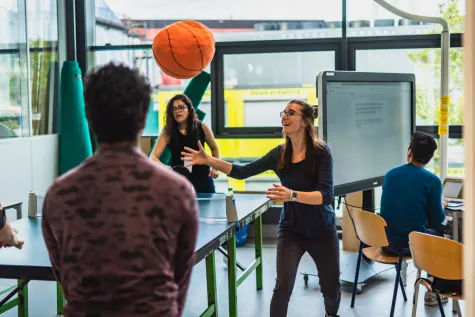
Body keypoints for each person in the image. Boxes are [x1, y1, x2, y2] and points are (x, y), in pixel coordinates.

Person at [41, 62, 199, 317]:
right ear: (143, 114)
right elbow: (180, 277)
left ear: (88, 116)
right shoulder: (178, 192)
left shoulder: (58, 194)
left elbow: (65, 276)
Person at [182, 100, 341, 317]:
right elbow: (241, 171)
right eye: (284, 112)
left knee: (330, 288)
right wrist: (208, 159)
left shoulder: (322, 153)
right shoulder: (280, 154)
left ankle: (331, 314)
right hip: (291, 230)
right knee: (282, 288)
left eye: (291, 113)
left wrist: (292, 195)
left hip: (323, 229)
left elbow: (326, 196)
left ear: (305, 121)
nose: (284, 116)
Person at [380, 131, 452, 305]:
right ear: (430, 157)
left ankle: (433, 288)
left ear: (409, 151)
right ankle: (434, 291)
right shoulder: (432, 180)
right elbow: (436, 220)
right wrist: (441, 207)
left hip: (386, 242)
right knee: (443, 232)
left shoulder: (390, 174)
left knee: (424, 223)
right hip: (411, 246)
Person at [150, 94, 220, 193]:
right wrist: (166, 168)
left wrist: (215, 168)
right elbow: (152, 157)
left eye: (181, 107)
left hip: (203, 179)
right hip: (178, 181)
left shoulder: (202, 127)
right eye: (174, 109)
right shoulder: (168, 133)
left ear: (189, 109)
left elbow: (214, 148)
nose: (177, 111)